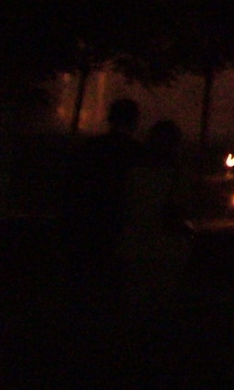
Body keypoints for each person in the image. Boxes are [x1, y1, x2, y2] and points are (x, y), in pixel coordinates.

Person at [64, 97, 145, 275]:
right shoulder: (138, 152)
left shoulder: (92, 147)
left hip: (93, 216)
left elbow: (76, 181)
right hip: (123, 218)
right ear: (134, 121)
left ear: (110, 119)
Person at [118, 118, 192, 310]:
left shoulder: (132, 171)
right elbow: (179, 208)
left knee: (134, 299)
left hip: (133, 242)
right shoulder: (175, 175)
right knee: (161, 300)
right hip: (164, 245)